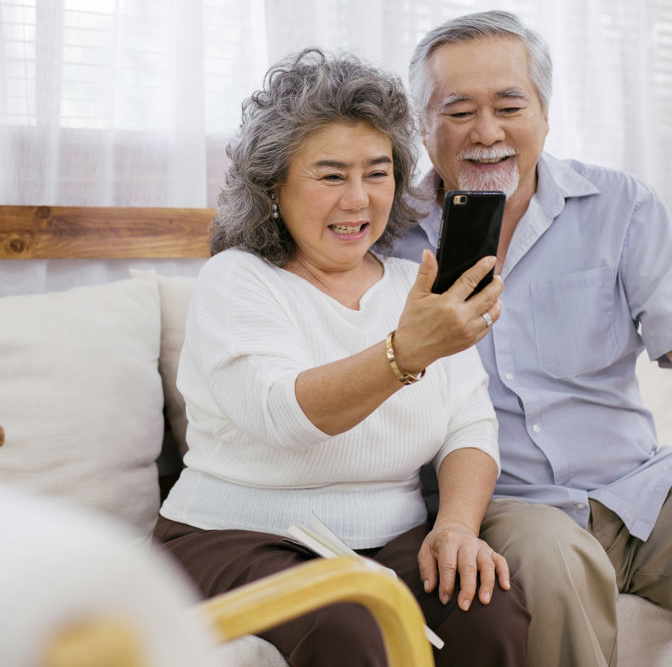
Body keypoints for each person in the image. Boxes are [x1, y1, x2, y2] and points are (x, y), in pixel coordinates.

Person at [154, 47, 530, 666]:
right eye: (331, 175)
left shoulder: (417, 282)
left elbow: (469, 423)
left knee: (487, 611)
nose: (358, 200)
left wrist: (457, 527)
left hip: (390, 540)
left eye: (377, 173)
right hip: (237, 538)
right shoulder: (237, 280)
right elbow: (283, 415)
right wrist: (405, 353)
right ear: (274, 185)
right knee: (351, 628)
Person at [395, 10, 672, 667]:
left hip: (638, 489)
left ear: (544, 112)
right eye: (457, 111)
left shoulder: (621, 207)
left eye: (509, 106)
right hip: (507, 508)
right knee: (552, 559)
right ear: (421, 125)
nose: (486, 133)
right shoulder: (390, 240)